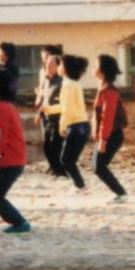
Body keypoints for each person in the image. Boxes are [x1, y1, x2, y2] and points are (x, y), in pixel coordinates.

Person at [0, 68, 31, 234]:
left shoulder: (1, 109)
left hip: (11, 160)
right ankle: (18, 222)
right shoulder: (3, 106)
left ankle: (20, 223)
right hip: (13, 159)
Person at [50, 54, 90, 192]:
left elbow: (66, 109)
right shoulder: (73, 83)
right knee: (68, 159)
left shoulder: (67, 85)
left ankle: (81, 186)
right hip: (82, 125)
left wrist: (62, 126)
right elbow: (63, 106)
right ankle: (80, 185)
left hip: (76, 125)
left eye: (60, 64)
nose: (58, 67)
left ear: (65, 68)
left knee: (66, 159)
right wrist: (48, 110)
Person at [92, 54, 128, 202]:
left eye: (95, 65)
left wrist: (103, 139)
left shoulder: (109, 91)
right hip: (107, 134)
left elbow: (108, 117)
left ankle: (121, 193)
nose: (93, 68)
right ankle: (120, 193)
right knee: (98, 166)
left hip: (112, 134)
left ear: (102, 70)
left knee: (99, 166)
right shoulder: (103, 88)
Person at [34, 47, 66, 177]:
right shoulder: (47, 80)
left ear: (57, 66)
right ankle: (55, 168)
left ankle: (60, 171)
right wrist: (40, 114)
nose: (47, 66)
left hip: (58, 118)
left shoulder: (62, 82)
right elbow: (45, 100)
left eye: (50, 64)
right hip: (47, 117)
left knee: (56, 146)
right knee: (47, 146)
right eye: (46, 64)